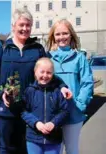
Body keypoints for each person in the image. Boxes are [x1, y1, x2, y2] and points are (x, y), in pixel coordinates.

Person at [0, 8, 72, 154]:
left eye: (28, 25)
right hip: (7, 110)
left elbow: (47, 72)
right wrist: (2, 91)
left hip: (32, 110)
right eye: (21, 25)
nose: (25, 28)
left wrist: (62, 86)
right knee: (6, 148)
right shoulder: (2, 47)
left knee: (28, 149)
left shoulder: (37, 49)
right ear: (13, 26)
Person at [46, 19, 94, 154]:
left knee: (72, 149)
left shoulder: (80, 58)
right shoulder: (47, 58)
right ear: (53, 37)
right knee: (54, 150)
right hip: (53, 114)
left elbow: (87, 83)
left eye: (65, 33)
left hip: (73, 113)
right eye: (58, 34)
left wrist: (79, 105)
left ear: (71, 35)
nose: (61, 37)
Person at [22, 58, 69, 154]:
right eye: (42, 72)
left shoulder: (58, 91)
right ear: (35, 72)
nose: (45, 75)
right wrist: (36, 123)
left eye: (49, 73)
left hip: (53, 139)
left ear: (53, 74)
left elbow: (65, 111)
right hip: (33, 139)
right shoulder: (29, 91)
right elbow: (23, 111)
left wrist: (53, 123)